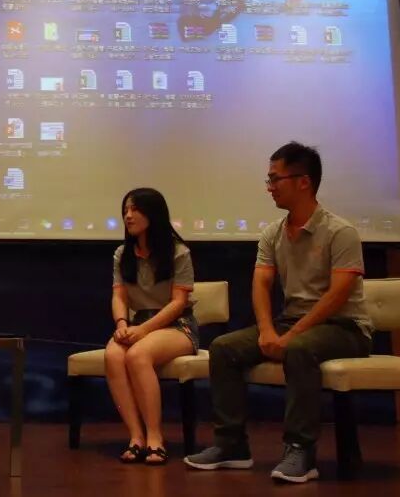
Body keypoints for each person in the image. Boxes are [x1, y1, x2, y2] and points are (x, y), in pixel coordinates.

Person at [185, 142, 371, 483]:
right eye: (268, 180)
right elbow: (261, 284)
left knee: (299, 348)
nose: (269, 187)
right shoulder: (273, 233)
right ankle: (231, 445)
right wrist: (268, 331)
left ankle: (300, 451)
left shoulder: (340, 232)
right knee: (224, 348)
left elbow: (338, 294)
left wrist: (292, 335)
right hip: (291, 323)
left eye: (275, 179)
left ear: (303, 181)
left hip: (345, 327)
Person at [104, 188, 197, 465]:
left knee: (138, 354)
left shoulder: (178, 252)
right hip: (138, 323)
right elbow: (119, 297)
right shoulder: (123, 254)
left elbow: (179, 303)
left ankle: (156, 437)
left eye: (135, 209)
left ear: (153, 214)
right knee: (113, 355)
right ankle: (136, 437)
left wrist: (144, 330)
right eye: (125, 210)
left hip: (177, 325)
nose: (128, 216)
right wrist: (122, 323)